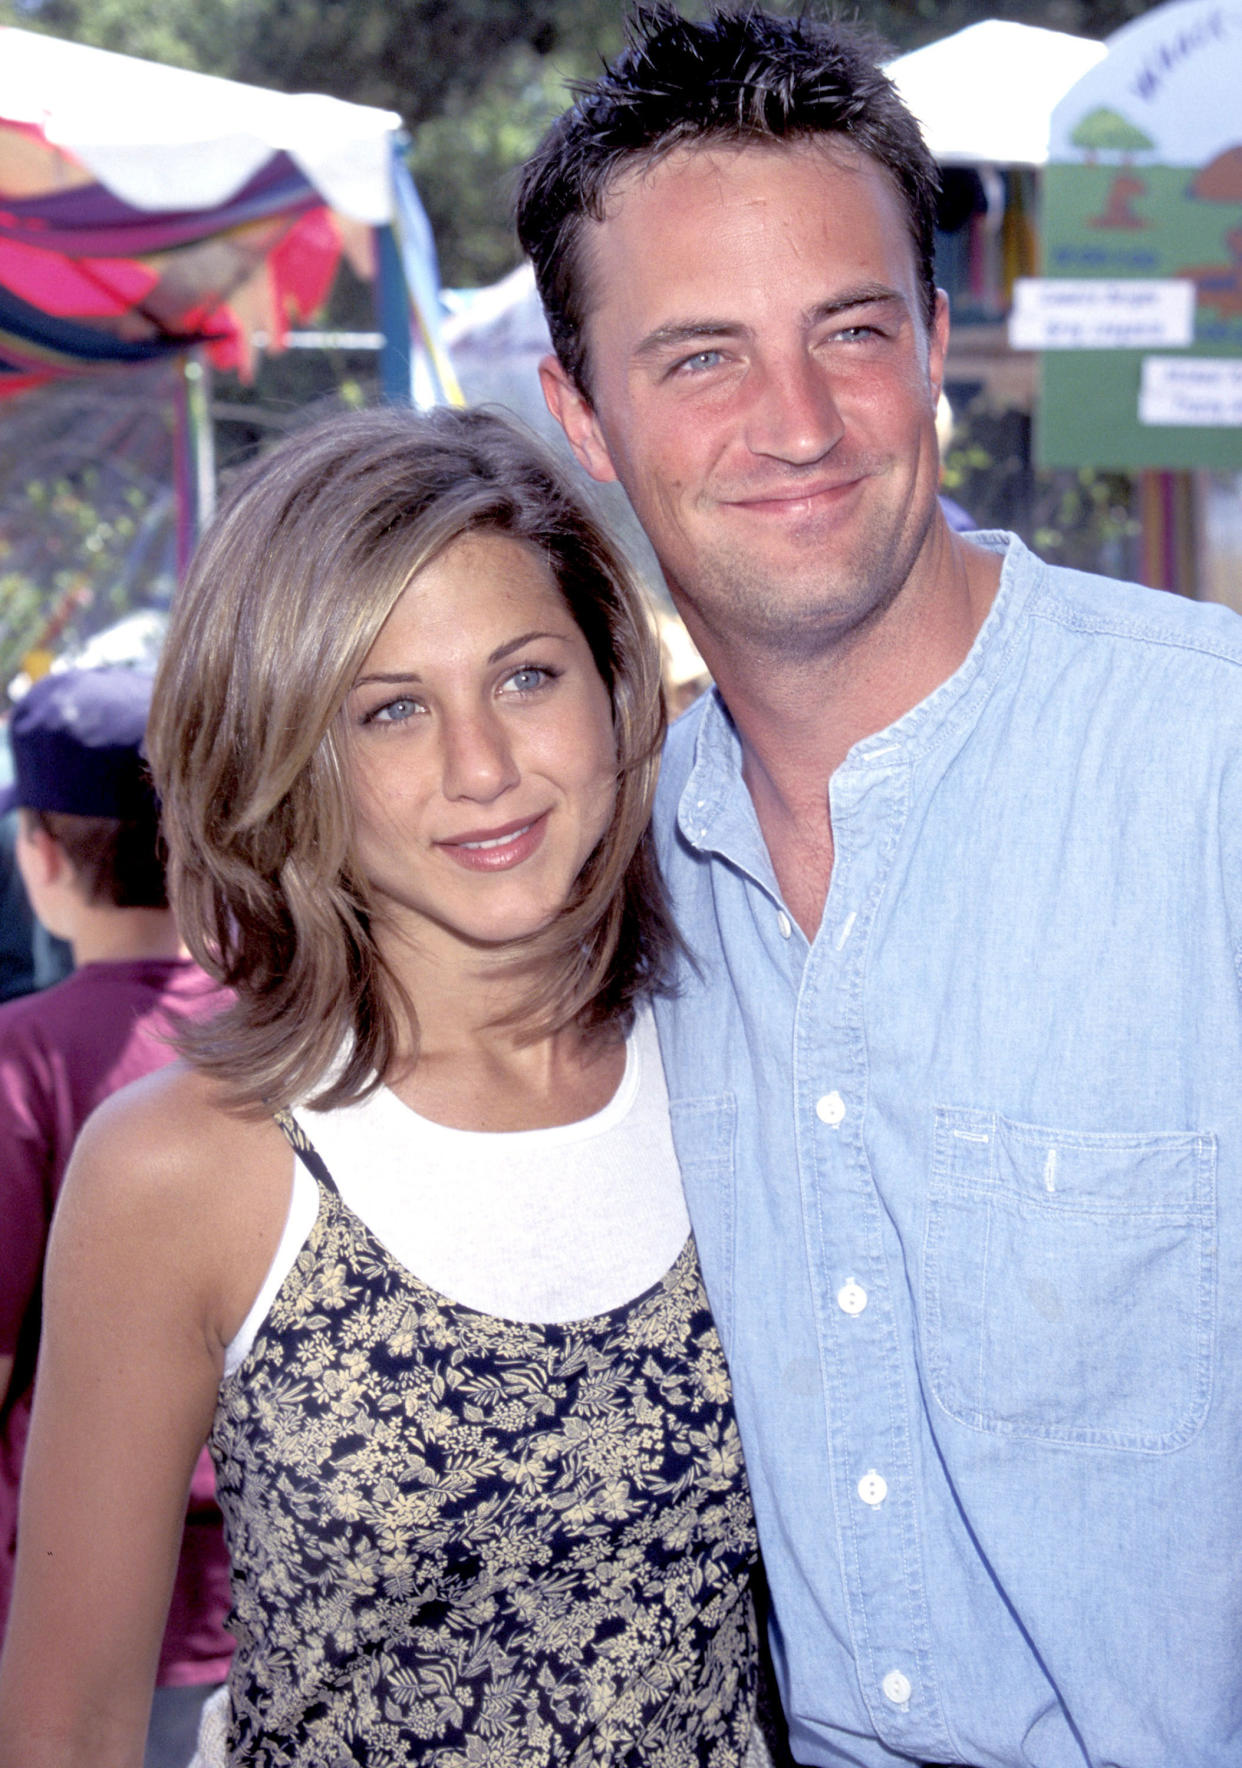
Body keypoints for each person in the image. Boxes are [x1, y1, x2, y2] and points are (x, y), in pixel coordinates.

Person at [516, 9, 1242, 1767]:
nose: (796, 421)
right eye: (697, 357)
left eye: (847, 330)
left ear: (929, 339)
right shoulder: (590, 883)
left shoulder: (1205, 769)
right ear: (581, 417)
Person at [0, 407, 761, 1768]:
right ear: (286, 757)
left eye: (525, 677)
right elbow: (67, 1727)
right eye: (390, 709)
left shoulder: (751, 1080)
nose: (482, 767)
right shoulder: (184, 1170)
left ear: (613, 686)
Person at [0, 667, 233, 1766]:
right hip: (279, 1588)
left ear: (38, 856)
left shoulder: (23, 1058)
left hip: (78, 1609)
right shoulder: (291, 1036)